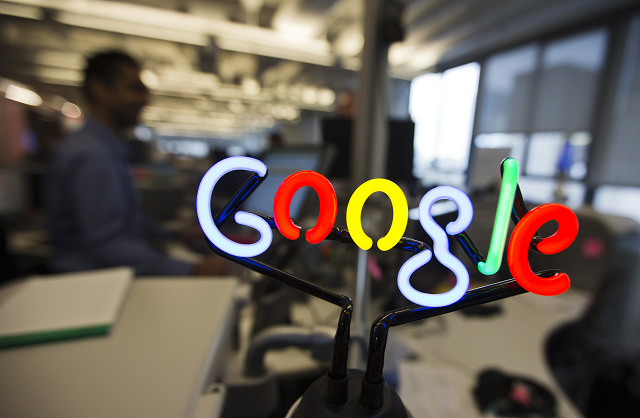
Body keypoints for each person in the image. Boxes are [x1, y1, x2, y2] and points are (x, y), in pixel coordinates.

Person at [46, 51, 225, 276]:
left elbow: (121, 221)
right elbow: (106, 245)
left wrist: (170, 233)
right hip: (89, 287)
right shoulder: (92, 155)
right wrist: (194, 269)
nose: (146, 99)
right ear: (99, 89)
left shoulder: (105, 148)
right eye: (135, 88)